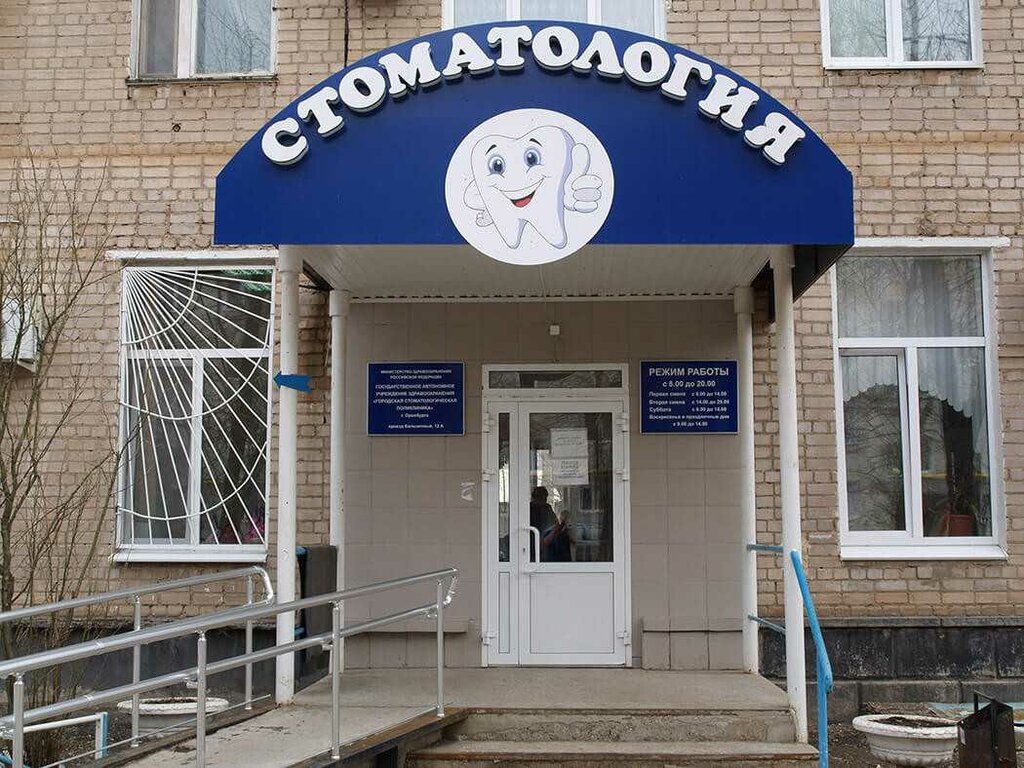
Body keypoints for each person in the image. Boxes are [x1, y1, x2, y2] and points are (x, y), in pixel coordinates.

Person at [529, 485, 573, 562]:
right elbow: (555, 524)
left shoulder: (541, 507)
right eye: (544, 497)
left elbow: (555, 523)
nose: (544, 500)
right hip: (541, 541)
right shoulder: (544, 508)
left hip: (541, 540)